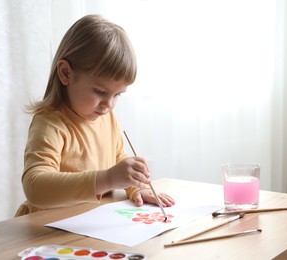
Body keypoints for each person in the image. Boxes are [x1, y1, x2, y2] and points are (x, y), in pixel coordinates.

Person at [15, 14, 175, 216]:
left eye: (117, 94)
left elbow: (117, 158)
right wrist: (107, 179)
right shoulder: (50, 123)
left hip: (89, 222)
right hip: (47, 228)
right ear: (65, 73)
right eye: (100, 92)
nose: (109, 104)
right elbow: (35, 187)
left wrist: (135, 186)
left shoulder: (104, 116)